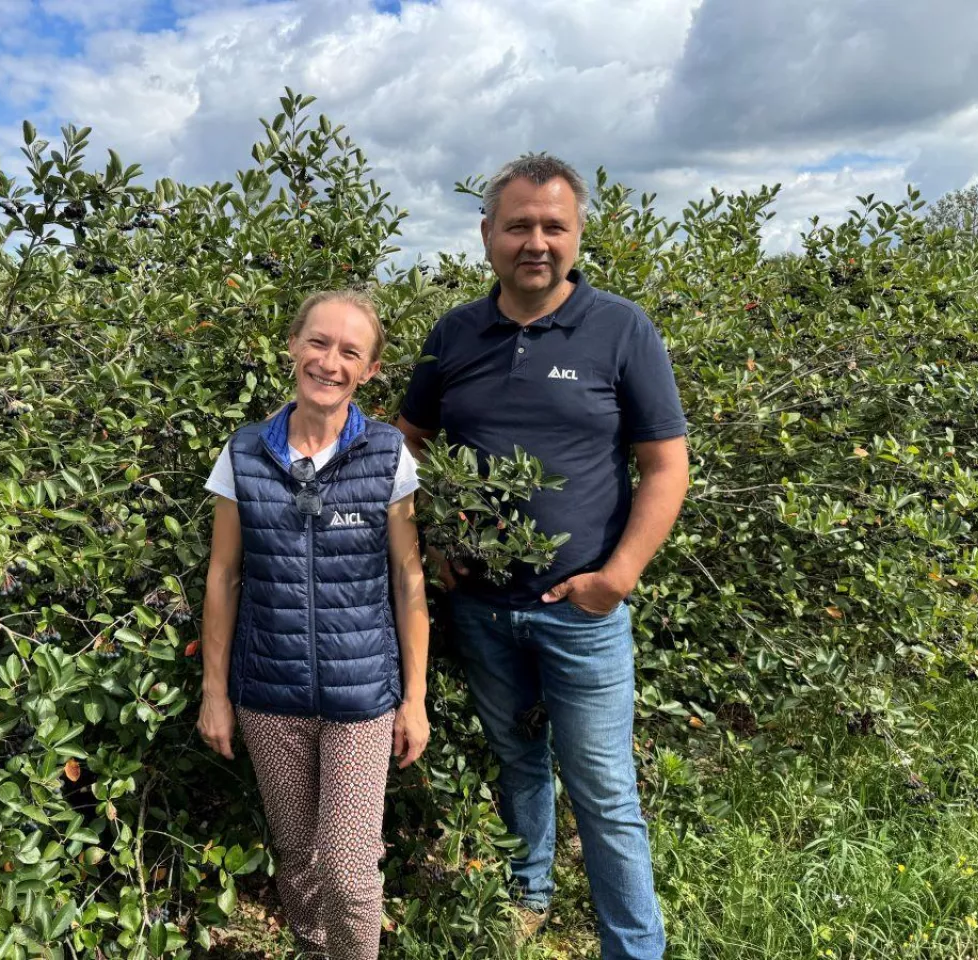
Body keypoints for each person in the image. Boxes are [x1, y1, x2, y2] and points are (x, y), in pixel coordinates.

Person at [397, 155, 689, 959]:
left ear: (578, 233)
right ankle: (529, 891)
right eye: (518, 225)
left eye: (553, 226)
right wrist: (438, 536)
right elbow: (408, 444)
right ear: (487, 234)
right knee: (515, 758)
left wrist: (617, 578)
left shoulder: (622, 329)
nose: (536, 242)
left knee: (603, 789)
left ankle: (633, 946)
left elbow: (666, 466)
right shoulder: (454, 332)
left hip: (582, 614)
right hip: (482, 607)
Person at [197, 289, 430, 960]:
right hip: (268, 697)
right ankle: (313, 948)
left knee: (349, 870)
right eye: (318, 343)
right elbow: (223, 577)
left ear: (370, 369)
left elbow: (409, 582)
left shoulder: (389, 456)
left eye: (349, 351)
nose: (330, 362)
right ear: (293, 347)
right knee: (297, 859)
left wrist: (413, 700)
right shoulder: (242, 454)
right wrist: (215, 693)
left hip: (363, 702)